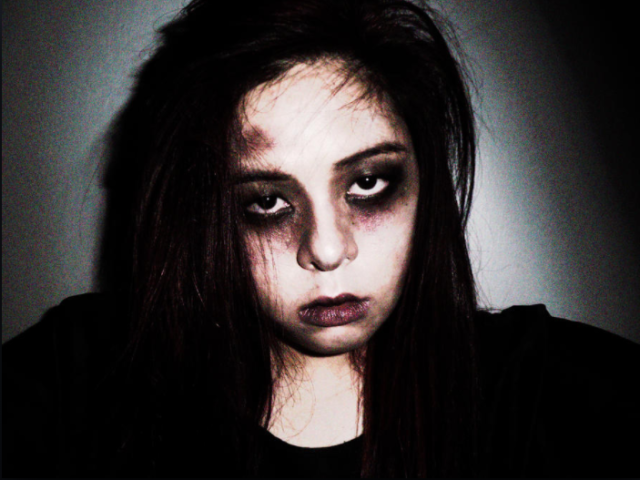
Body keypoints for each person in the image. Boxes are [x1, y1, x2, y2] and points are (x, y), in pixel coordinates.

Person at [3, 0, 639, 477]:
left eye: (367, 183)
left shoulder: (542, 397)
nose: (329, 250)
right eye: (268, 201)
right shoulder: (81, 382)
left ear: (423, 181)